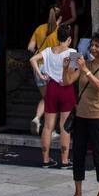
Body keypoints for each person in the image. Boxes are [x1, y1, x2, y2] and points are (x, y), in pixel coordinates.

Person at [64, 30, 99, 196]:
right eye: (92, 45)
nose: (93, 49)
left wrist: (85, 70)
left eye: (97, 46)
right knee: (77, 154)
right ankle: (78, 193)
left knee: (98, 155)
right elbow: (67, 81)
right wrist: (66, 67)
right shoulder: (85, 63)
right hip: (81, 115)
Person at [29, 22, 78, 168]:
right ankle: (64, 160)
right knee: (64, 126)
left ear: (57, 37)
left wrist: (41, 75)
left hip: (51, 87)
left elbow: (32, 60)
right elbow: (73, 72)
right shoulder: (73, 52)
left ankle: (45, 159)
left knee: (48, 126)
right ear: (69, 39)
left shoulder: (49, 51)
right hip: (66, 87)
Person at [26, 4, 63, 134]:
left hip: (38, 67)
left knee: (47, 98)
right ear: (60, 18)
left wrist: (38, 51)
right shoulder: (60, 31)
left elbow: (30, 47)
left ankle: (37, 118)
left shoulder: (40, 28)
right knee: (54, 100)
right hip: (52, 69)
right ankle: (51, 130)